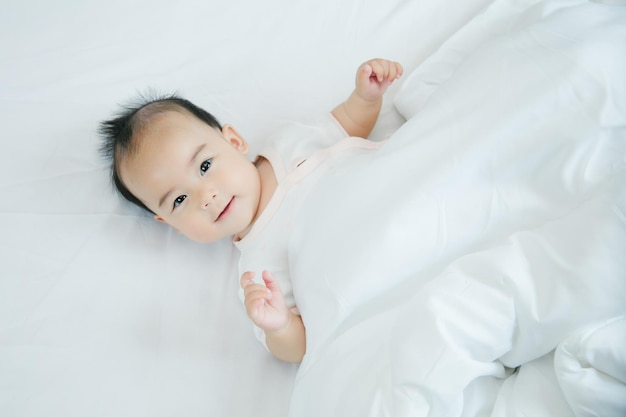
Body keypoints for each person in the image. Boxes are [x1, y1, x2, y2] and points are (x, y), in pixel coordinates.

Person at [99, 58, 403, 363]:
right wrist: (280, 327)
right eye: (179, 200)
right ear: (170, 223)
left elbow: (347, 124)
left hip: (395, 187)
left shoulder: (288, 143)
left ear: (233, 140)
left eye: (205, 166)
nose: (206, 196)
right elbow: (299, 348)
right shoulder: (257, 274)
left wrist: (365, 98)